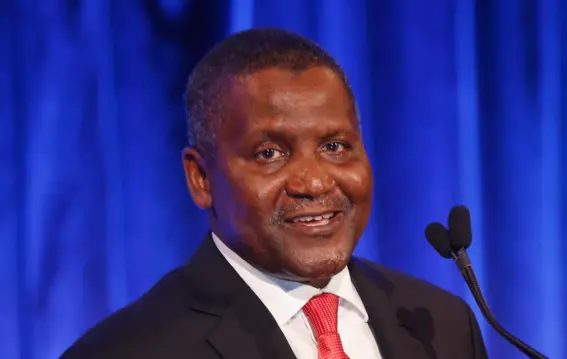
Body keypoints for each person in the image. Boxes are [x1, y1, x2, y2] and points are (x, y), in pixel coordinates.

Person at [61, 28, 488, 359]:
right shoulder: (129, 351)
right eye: (270, 153)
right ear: (201, 179)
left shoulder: (441, 324)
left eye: (334, 147)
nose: (316, 182)